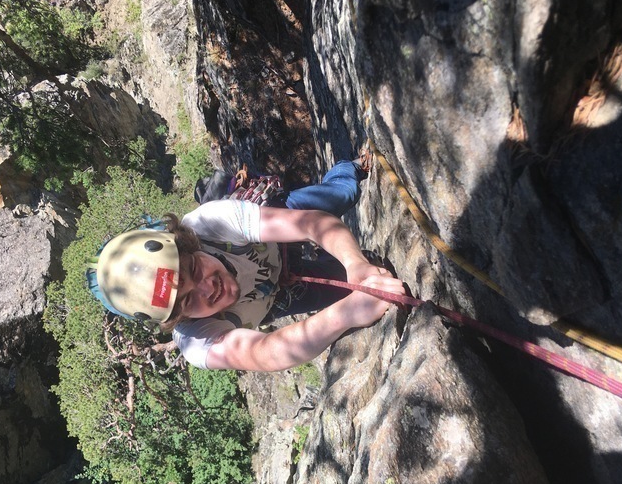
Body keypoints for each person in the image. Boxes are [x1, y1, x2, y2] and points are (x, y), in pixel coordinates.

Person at [91, 157, 406, 372]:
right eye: (187, 301)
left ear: (189, 245)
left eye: (194, 270)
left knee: (343, 193)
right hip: (275, 294)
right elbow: (265, 353)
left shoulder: (209, 224)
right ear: (179, 319)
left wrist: (355, 265)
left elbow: (312, 224)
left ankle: (350, 167)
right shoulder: (197, 342)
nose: (207, 288)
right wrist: (347, 311)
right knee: (347, 293)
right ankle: (345, 261)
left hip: (270, 237)